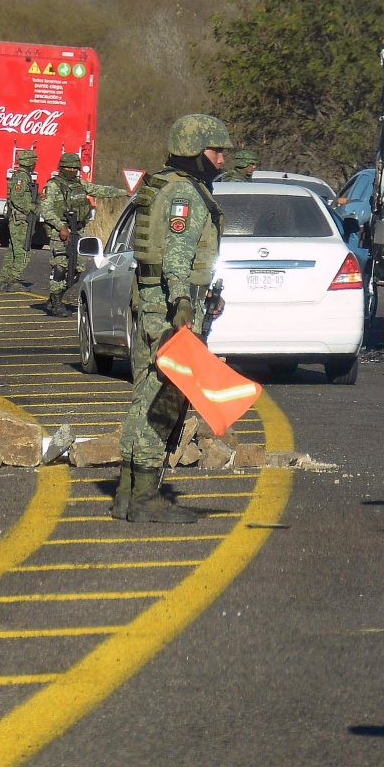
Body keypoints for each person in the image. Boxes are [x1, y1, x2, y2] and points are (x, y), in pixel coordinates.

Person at [113, 113, 232, 523]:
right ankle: (145, 499)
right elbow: (178, 258)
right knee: (163, 401)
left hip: (150, 300)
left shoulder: (162, 185)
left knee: (143, 395)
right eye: (216, 152)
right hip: (168, 306)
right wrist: (184, 304)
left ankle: (127, 495)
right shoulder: (185, 194)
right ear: (194, 150)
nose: (222, 161)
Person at [38, 150, 94, 316]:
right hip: (59, 234)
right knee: (60, 268)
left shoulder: (80, 185)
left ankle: (54, 298)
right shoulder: (53, 186)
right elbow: (46, 209)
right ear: (61, 167)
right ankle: (56, 304)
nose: (71, 170)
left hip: (78, 232)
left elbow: (100, 190)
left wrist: (124, 192)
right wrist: (61, 226)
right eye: (67, 167)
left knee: (77, 269)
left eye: (74, 168)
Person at [0, 146, 40, 291]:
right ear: (30, 163)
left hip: (18, 219)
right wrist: (33, 208)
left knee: (13, 251)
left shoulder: (22, 176)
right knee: (23, 252)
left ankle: (5, 280)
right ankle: (13, 280)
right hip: (20, 220)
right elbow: (17, 198)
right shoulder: (22, 177)